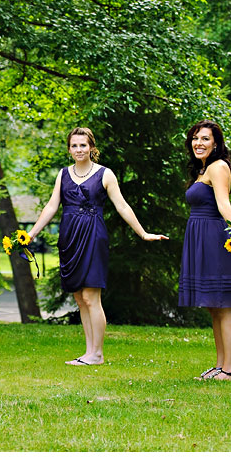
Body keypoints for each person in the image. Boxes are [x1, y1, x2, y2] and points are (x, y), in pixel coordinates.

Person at [28, 127, 168, 366]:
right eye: (74, 145)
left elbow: (122, 206)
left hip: (93, 236)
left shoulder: (105, 174)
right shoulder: (63, 174)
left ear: (92, 147)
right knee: (80, 297)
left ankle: (98, 353)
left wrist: (143, 233)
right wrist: (31, 234)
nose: (79, 150)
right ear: (69, 149)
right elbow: (52, 206)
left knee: (91, 297)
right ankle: (89, 352)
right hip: (69, 237)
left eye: (83, 145)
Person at [179, 120, 231, 381]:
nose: (199, 143)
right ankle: (219, 366)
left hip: (216, 240)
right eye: (195, 138)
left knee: (224, 305)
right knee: (214, 306)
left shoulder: (218, 167)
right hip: (201, 239)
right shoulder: (203, 169)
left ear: (216, 143)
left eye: (205, 138)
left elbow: (224, 204)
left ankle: (229, 370)